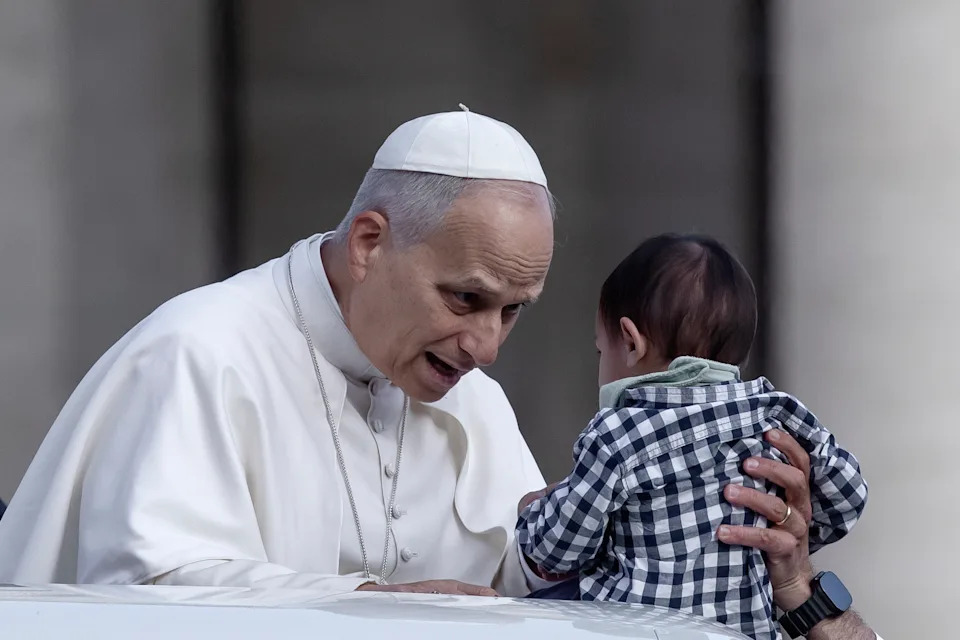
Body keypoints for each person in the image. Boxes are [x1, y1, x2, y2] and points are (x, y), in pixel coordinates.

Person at [0, 108, 883, 639]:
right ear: (370, 242)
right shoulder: (198, 353)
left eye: (513, 311)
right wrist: (380, 607)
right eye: (466, 298)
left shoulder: (476, 407)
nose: (487, 347)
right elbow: (139, 603)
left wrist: (786, 589)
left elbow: (558, 595)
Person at [516, 235, 869, 639]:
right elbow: (848, 496)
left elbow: (558, 551)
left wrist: (534, 515)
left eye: (601, 351)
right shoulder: (775, 413)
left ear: (630, 342)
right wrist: (782, 536)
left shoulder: (617, 435)